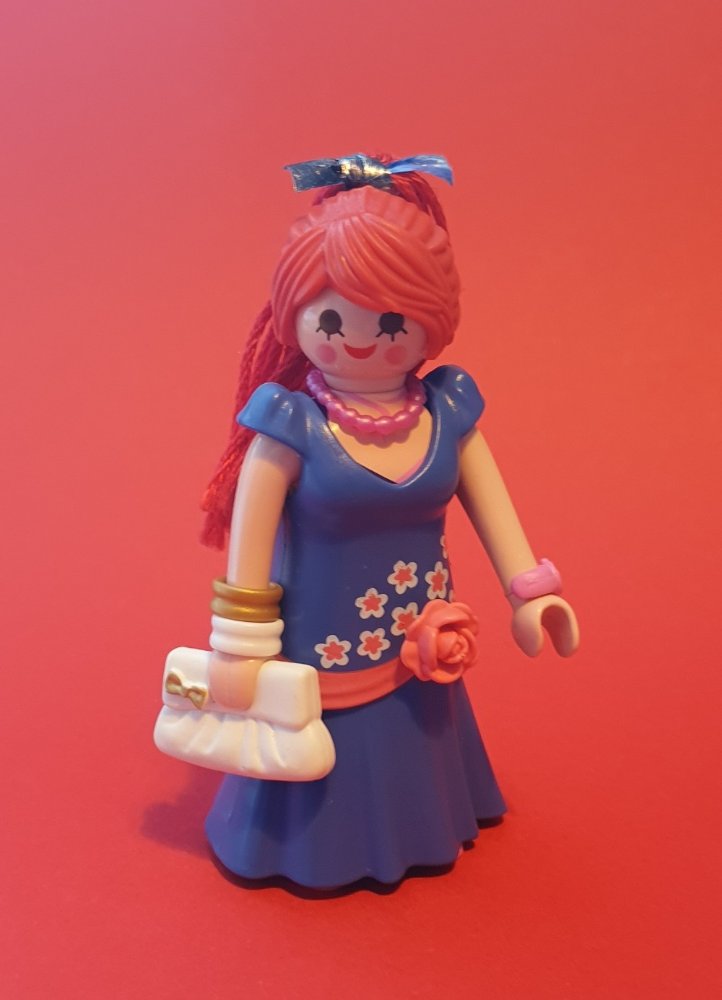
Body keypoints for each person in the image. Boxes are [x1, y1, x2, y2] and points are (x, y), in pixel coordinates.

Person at [192, 154, 579, 889]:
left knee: (416, 736)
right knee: (321, 745)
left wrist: (531, 596)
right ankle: (311, 846)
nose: (361, 341)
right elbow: (250, 544)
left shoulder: (448, 413)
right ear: (294, 315)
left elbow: (494, 509)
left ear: (431, 323)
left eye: (393, 322)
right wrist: (240, 645)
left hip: (421, 640)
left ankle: (421, 824)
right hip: (317, 645)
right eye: (333, 319)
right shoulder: (291, 425)